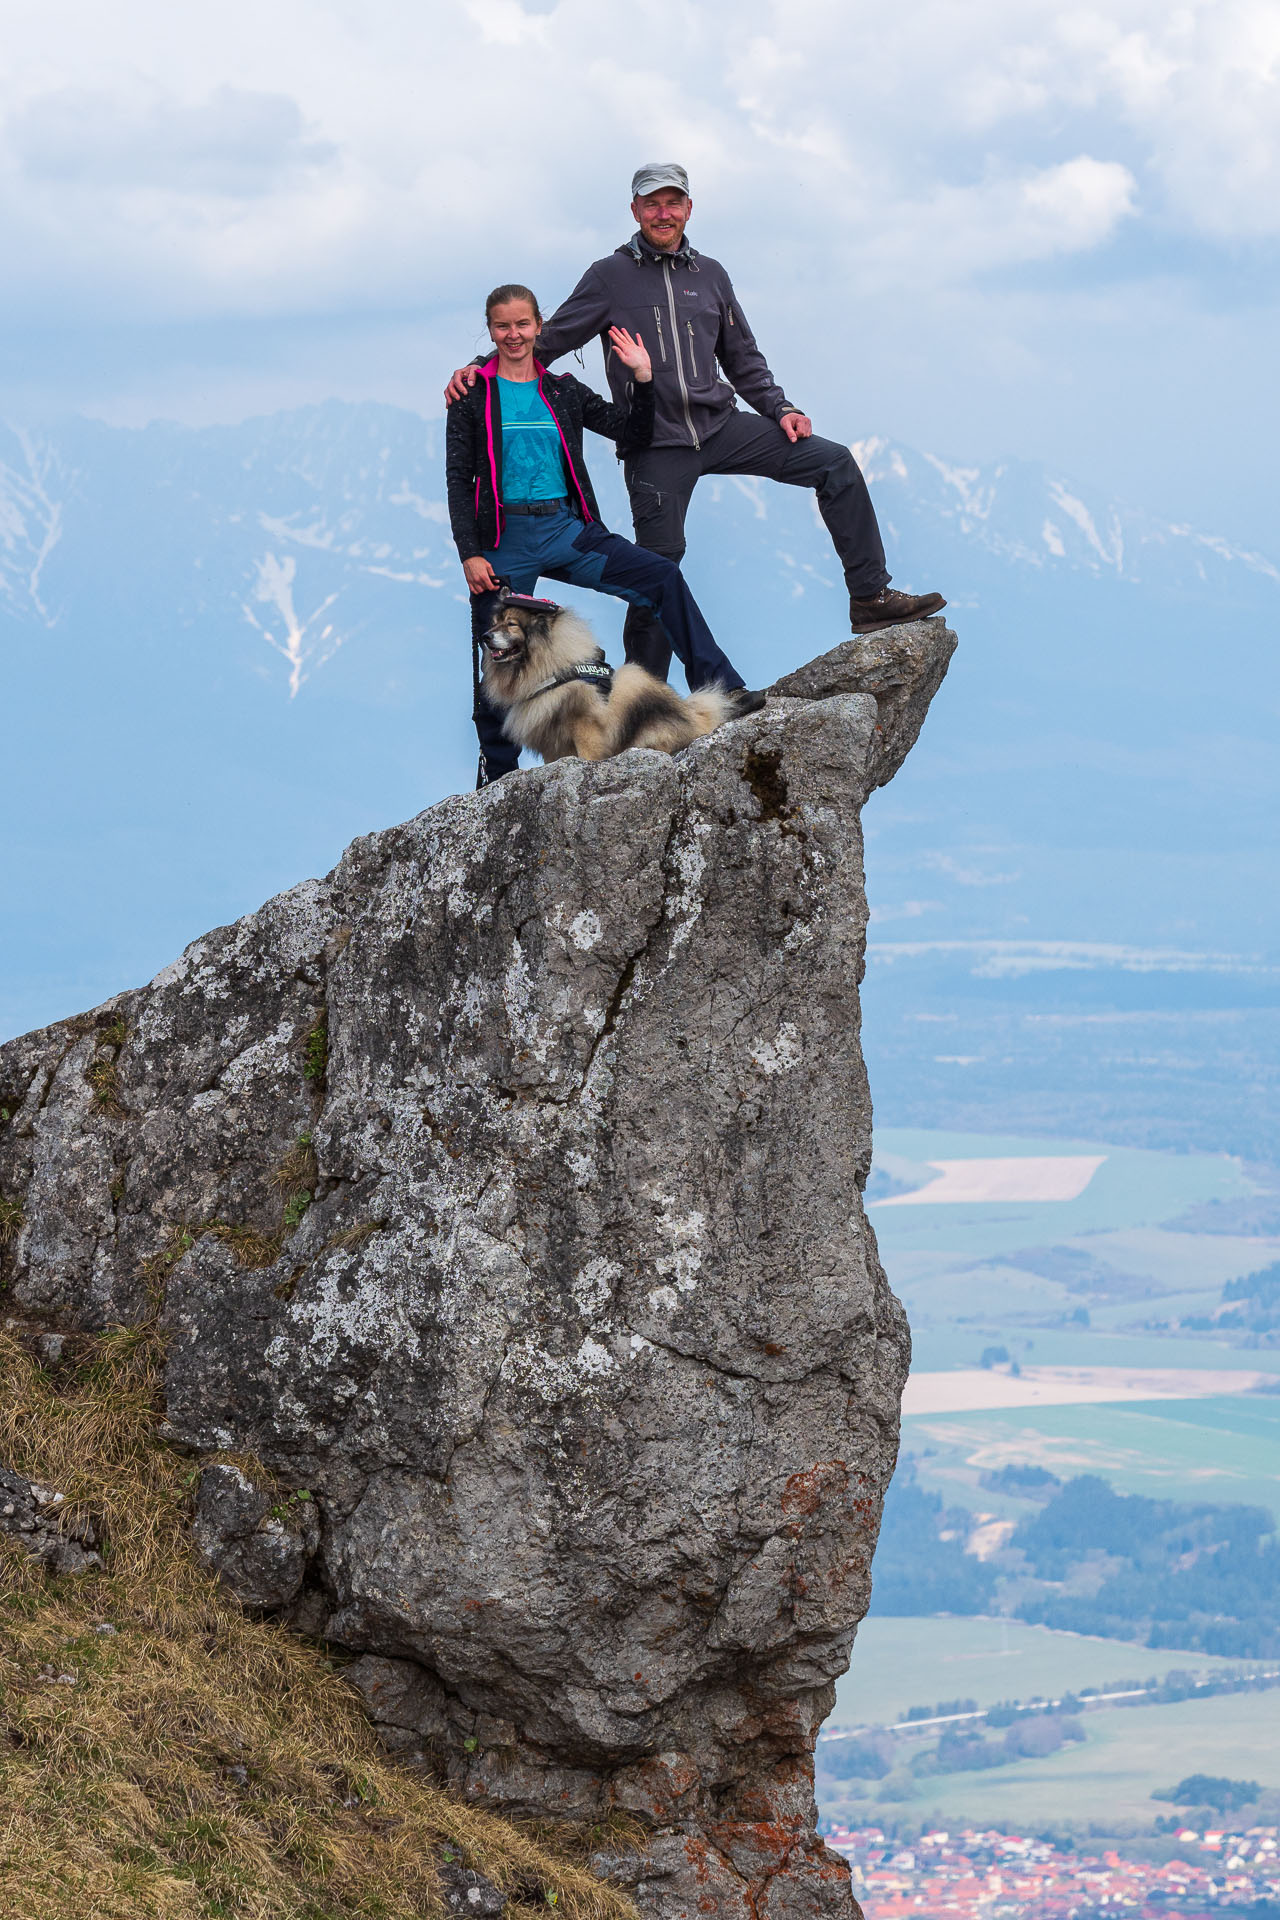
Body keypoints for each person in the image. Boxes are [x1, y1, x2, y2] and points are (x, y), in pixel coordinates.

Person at [446, 166, 946, 685]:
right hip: (656, 443)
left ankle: (870, 596)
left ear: (688, 208)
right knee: (658, 567)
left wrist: (781, 409)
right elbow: (544, 340)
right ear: (635, 211)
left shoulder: (711, 275)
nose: (663, 213)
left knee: (833, 462)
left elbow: (742, 357)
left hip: (722, 426)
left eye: (673, 203)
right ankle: (643, 696)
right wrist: (479, 372)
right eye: (652, 204)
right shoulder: (608, 277)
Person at [446, 282, 762, 787]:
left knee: (661, 577)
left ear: (539, 327)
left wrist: (642, 377)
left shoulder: (563, 391)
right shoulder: (471, 397)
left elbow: (630, 431)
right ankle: (496, 779)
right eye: (502, 326)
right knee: (494, 660)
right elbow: (459, 479)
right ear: (490, 331)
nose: (514, 335)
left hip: (566, 530)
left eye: (522, 324)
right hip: (503, 542)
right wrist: (470, 554)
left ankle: (725, 687)